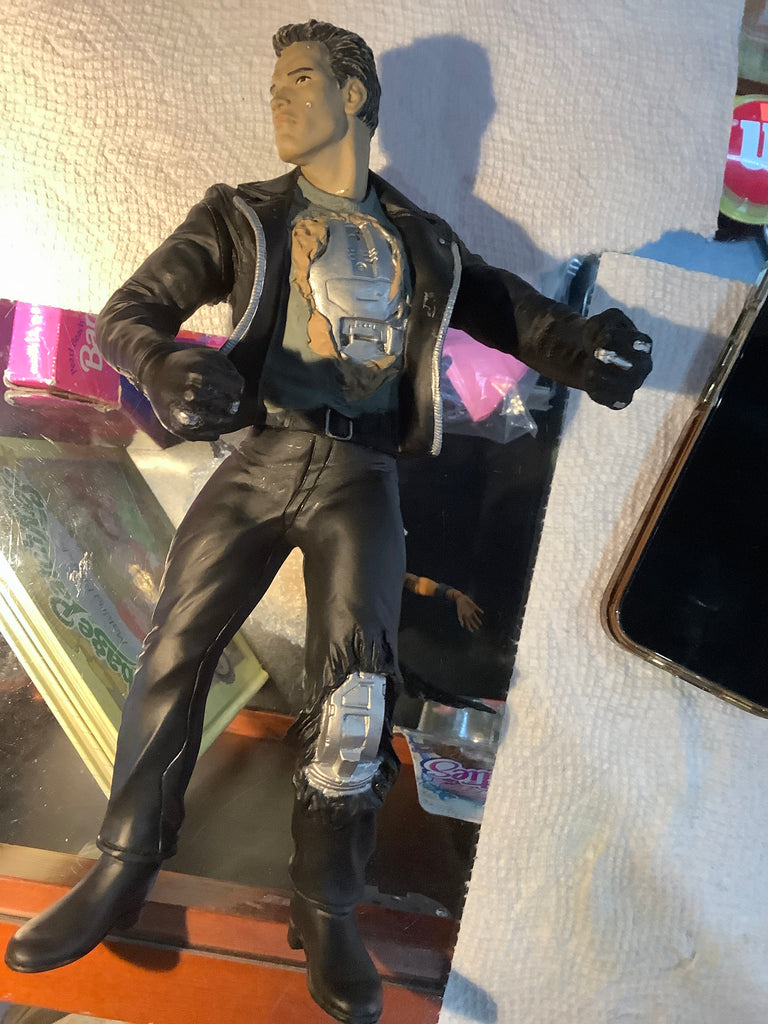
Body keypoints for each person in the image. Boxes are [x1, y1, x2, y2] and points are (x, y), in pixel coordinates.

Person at [4, 19, 652, 1024]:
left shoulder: (424, 241)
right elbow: (129, 312)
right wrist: (163, 365)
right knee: (174, 647)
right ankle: (125, 860)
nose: (279, 99)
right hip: (260, 454)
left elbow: (512, 310)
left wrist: (583, 346)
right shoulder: (242, 215)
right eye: (277, 83)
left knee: (357, 690)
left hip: (362, 476)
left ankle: (328, 898)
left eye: (301, 80)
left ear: (354, 96)